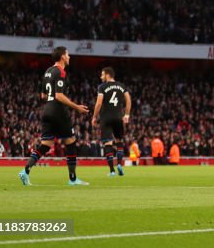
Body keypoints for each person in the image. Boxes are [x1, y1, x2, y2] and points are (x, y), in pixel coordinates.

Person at [18, 46, 90, 186]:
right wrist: (77, 107)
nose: (69, 57)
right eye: (68, 55)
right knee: (71, 142)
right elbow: (58, 95)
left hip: (47, 111)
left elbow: (43, 95)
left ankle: (25, 170)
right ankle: (73, 179)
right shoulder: (61, 72)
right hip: (58, 111)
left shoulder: (48, 72)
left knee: (46, 145)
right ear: (62, 56)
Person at [91, 66, 131, 177]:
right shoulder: (121, 86)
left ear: (108, 74)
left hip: (106, 118)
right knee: (119, 141)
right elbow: (128, 99)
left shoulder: (102, 87)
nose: (101, 76)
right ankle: (119, 164)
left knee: (108, 143)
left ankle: (112, 171)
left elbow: (98, 103)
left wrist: (94, 117)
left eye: (102, 74)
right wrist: (127, 114)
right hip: (118, 118)